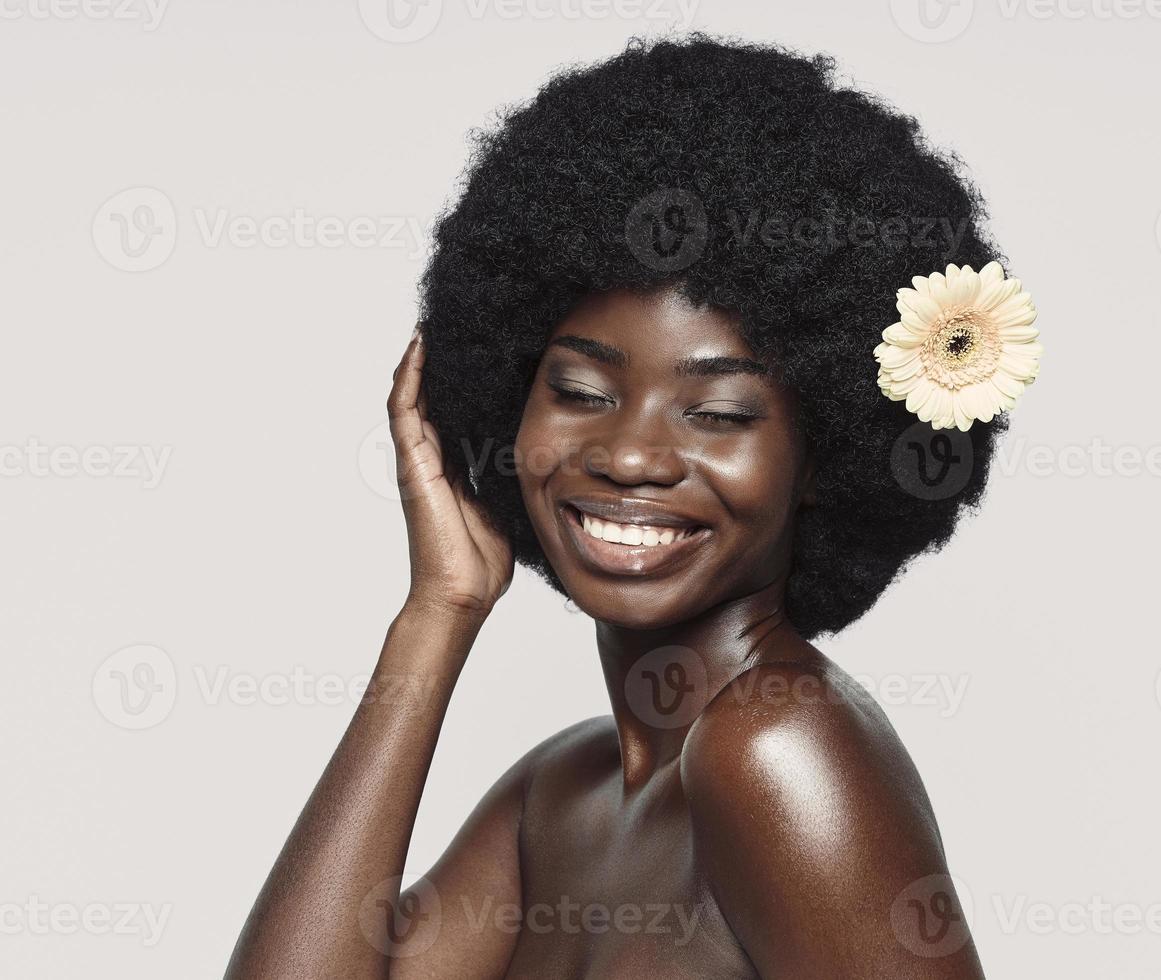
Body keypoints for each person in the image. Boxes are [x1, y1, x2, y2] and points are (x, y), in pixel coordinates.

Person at [226, 33, 1041, 979]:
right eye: (578, 391)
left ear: (823, 458)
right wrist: (437, 613)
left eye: (719, 412)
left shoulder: (778, 747)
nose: (629, 455)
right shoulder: (562, 794)